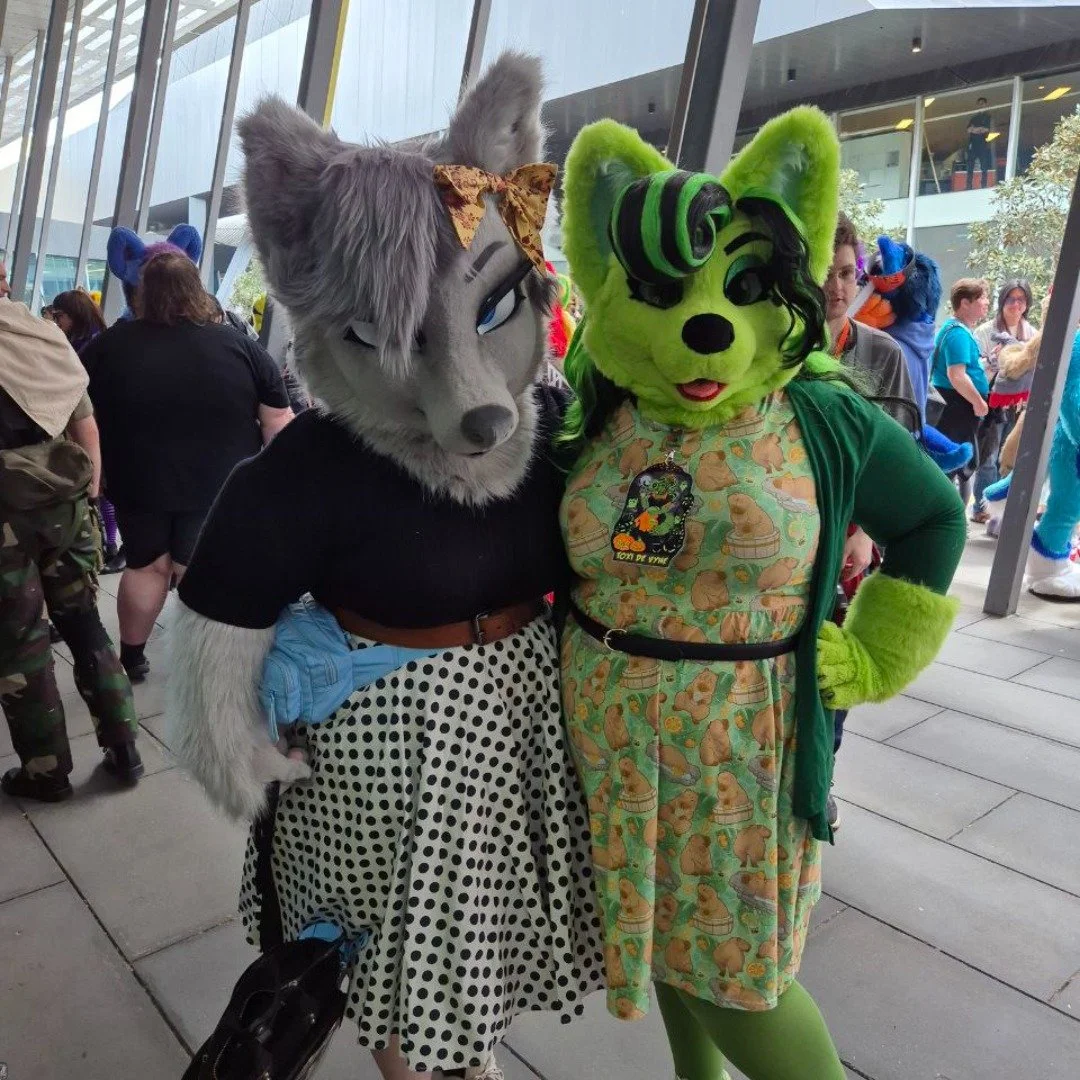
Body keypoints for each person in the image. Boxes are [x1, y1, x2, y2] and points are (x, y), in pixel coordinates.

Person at [166, 56, 605, 1080]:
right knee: (405, 971)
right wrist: (234, 747)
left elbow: (617, 544)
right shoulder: (311, 466)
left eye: (492, 313)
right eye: (388, 335)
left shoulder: (557, 433)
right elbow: (220, 611)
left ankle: (455, 1059)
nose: (470, 395)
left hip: (516, 736)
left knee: (475, 948)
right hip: (383, 757)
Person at [559, 106, 964, 1080]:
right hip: (610, 740)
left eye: (744, 288)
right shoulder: (606, 401)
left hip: (738, 753)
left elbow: (933, 521)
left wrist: (875, 651)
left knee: (738, 976)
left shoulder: (818, 410)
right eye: (662, 290)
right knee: (663, 943)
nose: (703, 324)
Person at [83, 251, 293, 683]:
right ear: (196, 291)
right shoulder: (239, 347)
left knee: (146, 566)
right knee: (201, 568)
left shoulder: (107, 348)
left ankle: (133, 657)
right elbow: (277, 421)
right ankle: (206, 664)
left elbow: (83, 416)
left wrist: (95, 472)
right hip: (220, 485)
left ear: (141, 293)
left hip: (138, 483)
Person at [1, 293, 142, 802]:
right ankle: (125, 747)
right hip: (65, 505)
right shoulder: (40, 336)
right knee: (84, 625)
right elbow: (85, 425)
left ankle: (46, 771)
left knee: (20, 645)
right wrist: (91, 495)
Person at [50, 290, 125, 573]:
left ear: (75, 315)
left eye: (60, 316)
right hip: (95, 421)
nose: (57, 322)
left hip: (96, 423)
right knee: (100, 486)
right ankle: (108, 543)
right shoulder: (91, 340)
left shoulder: (90, 346)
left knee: (100, 486)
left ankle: (108, 544)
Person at [968, 279, 1037, 523]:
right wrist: (994, 361)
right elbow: (973, 367)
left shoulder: (1032, 334)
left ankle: (1002, 512)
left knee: (1009, 456)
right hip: (990, 401)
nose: (1016, 305)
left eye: (1021, 300)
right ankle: (982, 507)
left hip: (1018, 404)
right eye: (1011, 299)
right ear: (1002, 302)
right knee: (988, 454)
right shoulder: (986, 332)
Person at [932, 278, 991, 505]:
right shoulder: (957, 333)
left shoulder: (958, 330)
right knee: (955, 465)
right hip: (957, 408)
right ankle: (948, 519)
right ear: (965, 303)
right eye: (982, 298)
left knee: (959, 465)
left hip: (955, 407)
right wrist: (979, 402)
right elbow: (956, 375)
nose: (986, 303)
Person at [966, 97, 994, 188]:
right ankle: (969, 186)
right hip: (973, 145)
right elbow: (968, 129)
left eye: (982, 103)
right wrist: (978, 129)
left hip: (982, 144)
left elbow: (986, 129)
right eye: (979, 104)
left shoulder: (988, 116)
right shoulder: (974, 118)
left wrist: (975, 129)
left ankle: (984, 185)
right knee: (970, 167)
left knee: (984, 166)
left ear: (985, 104)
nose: (980, 105)